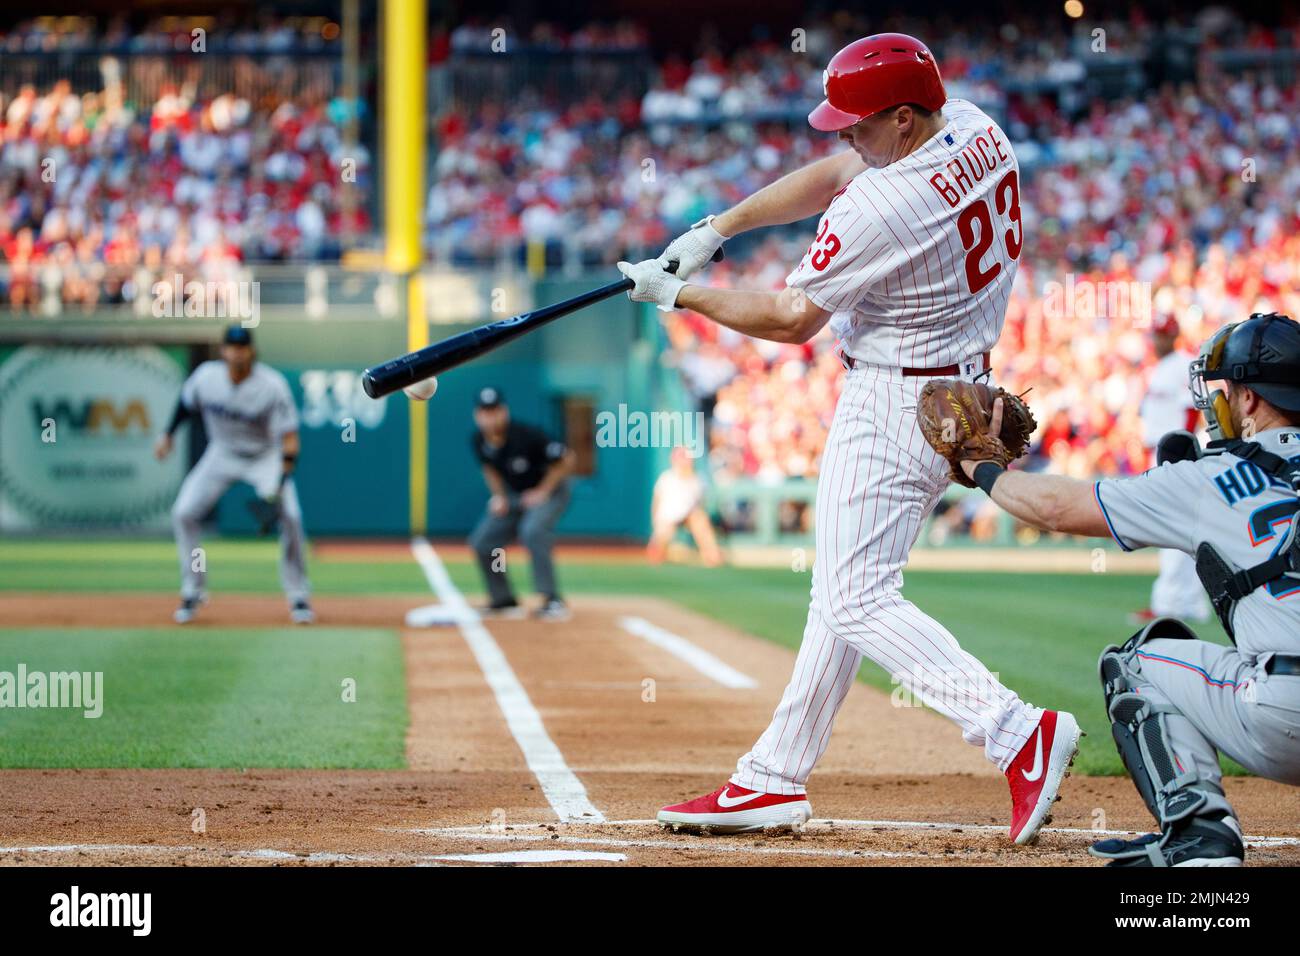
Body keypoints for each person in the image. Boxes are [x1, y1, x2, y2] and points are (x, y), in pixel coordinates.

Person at [619, 34, 1078, 843]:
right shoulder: (974, 126)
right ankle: (773, 778)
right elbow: (840, 172)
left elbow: (795, 318)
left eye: (858, 123)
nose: (842, 136)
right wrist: (716, 227)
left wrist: (681, 294)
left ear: (904, 118)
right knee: (841, 590)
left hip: (895, 399)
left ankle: (1014, 732)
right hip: (958, 381)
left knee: (855, 595)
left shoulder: (887, 204)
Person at [938, 313, 1300, 866]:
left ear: (1248, 398)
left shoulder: (1209, 477)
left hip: (1283, 712)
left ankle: (1200, 837)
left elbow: (1056, 507)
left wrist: (983, 467)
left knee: (1136, 662)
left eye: (1226, 390)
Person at [155, 324, 312, 624]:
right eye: (232, 346)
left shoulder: (272, 385)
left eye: (242, 347)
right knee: (184, 512)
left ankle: (298, 595)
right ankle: (193, 589)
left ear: (252, 351)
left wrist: (280, 482)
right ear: (223, 350)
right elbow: (186, 405)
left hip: (264, 456)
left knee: (292, 516)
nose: (237, 352)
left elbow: (290, 438)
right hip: (222, 453)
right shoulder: (206, 378)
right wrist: (168, 435)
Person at [468, 387, 574, 620]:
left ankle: (551, 599)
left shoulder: (526, 435)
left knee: (533, 530)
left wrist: (542, 491)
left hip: (551, 491)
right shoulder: (478, 440)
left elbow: (566, 459)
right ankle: (503, 598)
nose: (490, 416)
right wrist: (499, 496)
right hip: (516, 496)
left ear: (504, 411)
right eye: (485, 412)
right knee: (485, 541)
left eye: (494, 410)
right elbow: (490, 469)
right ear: (477, 415)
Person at [1131, 314, 1209, 624]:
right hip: (1160, 451)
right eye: (1156, 335)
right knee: (1183, 530)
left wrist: (1181, 450)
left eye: (1163, 334)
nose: (1157, 340)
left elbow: (1191, 410)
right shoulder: (1160, 367)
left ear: (1173, 335)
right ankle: (1189, 603)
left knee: (1170, 527)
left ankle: (1169, 604)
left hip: (1174, 454)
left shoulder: (1182, 364)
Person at [647, 447, 724, 566]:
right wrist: (656, 522)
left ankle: (711, 555)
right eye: (682, 458)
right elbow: (657, 501)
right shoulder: (666, 478)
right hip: (669, 517)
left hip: (689, 515)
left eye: (687, 459)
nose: (686, 462)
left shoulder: (698, 479)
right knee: (657, 551)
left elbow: (701, 503)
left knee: (700, 520)